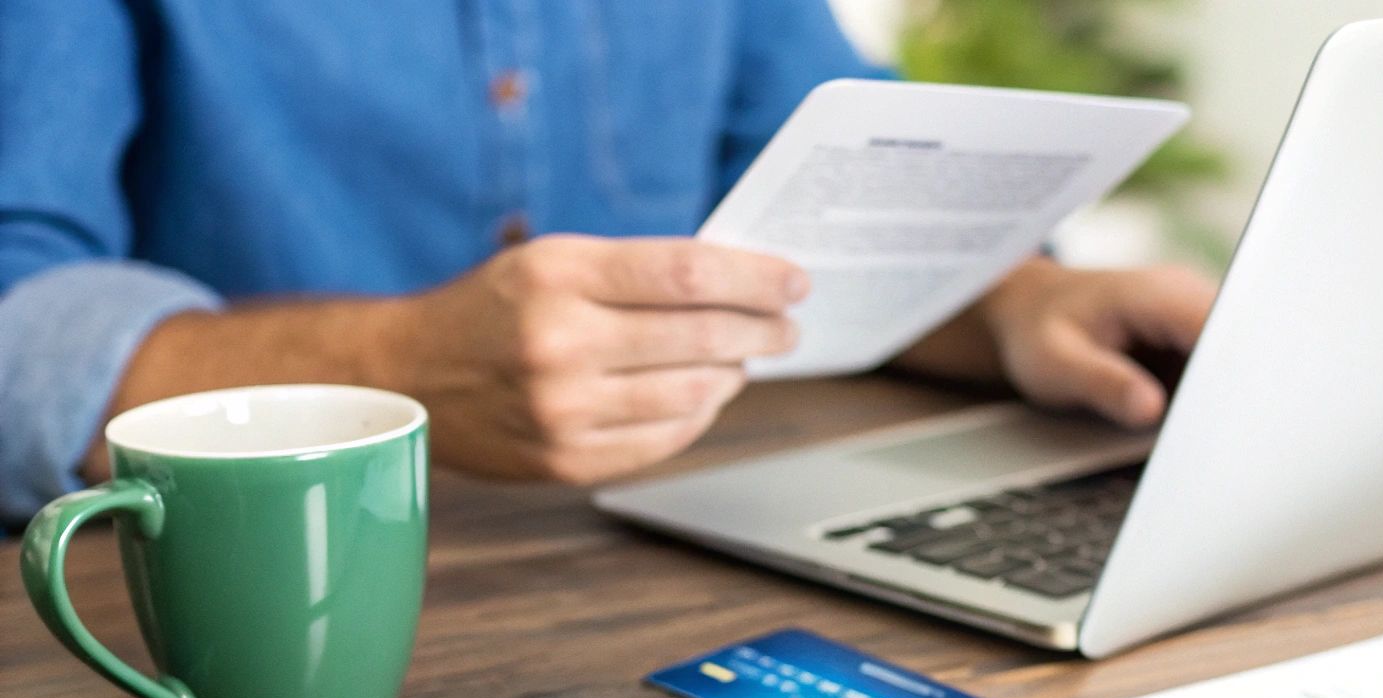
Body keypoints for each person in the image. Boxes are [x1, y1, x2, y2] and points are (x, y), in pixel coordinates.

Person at [0, 1, 1218, 529]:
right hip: (213, 627)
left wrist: (1019, 301)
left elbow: (827, 197)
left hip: (658, 567)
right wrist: (389, 364)